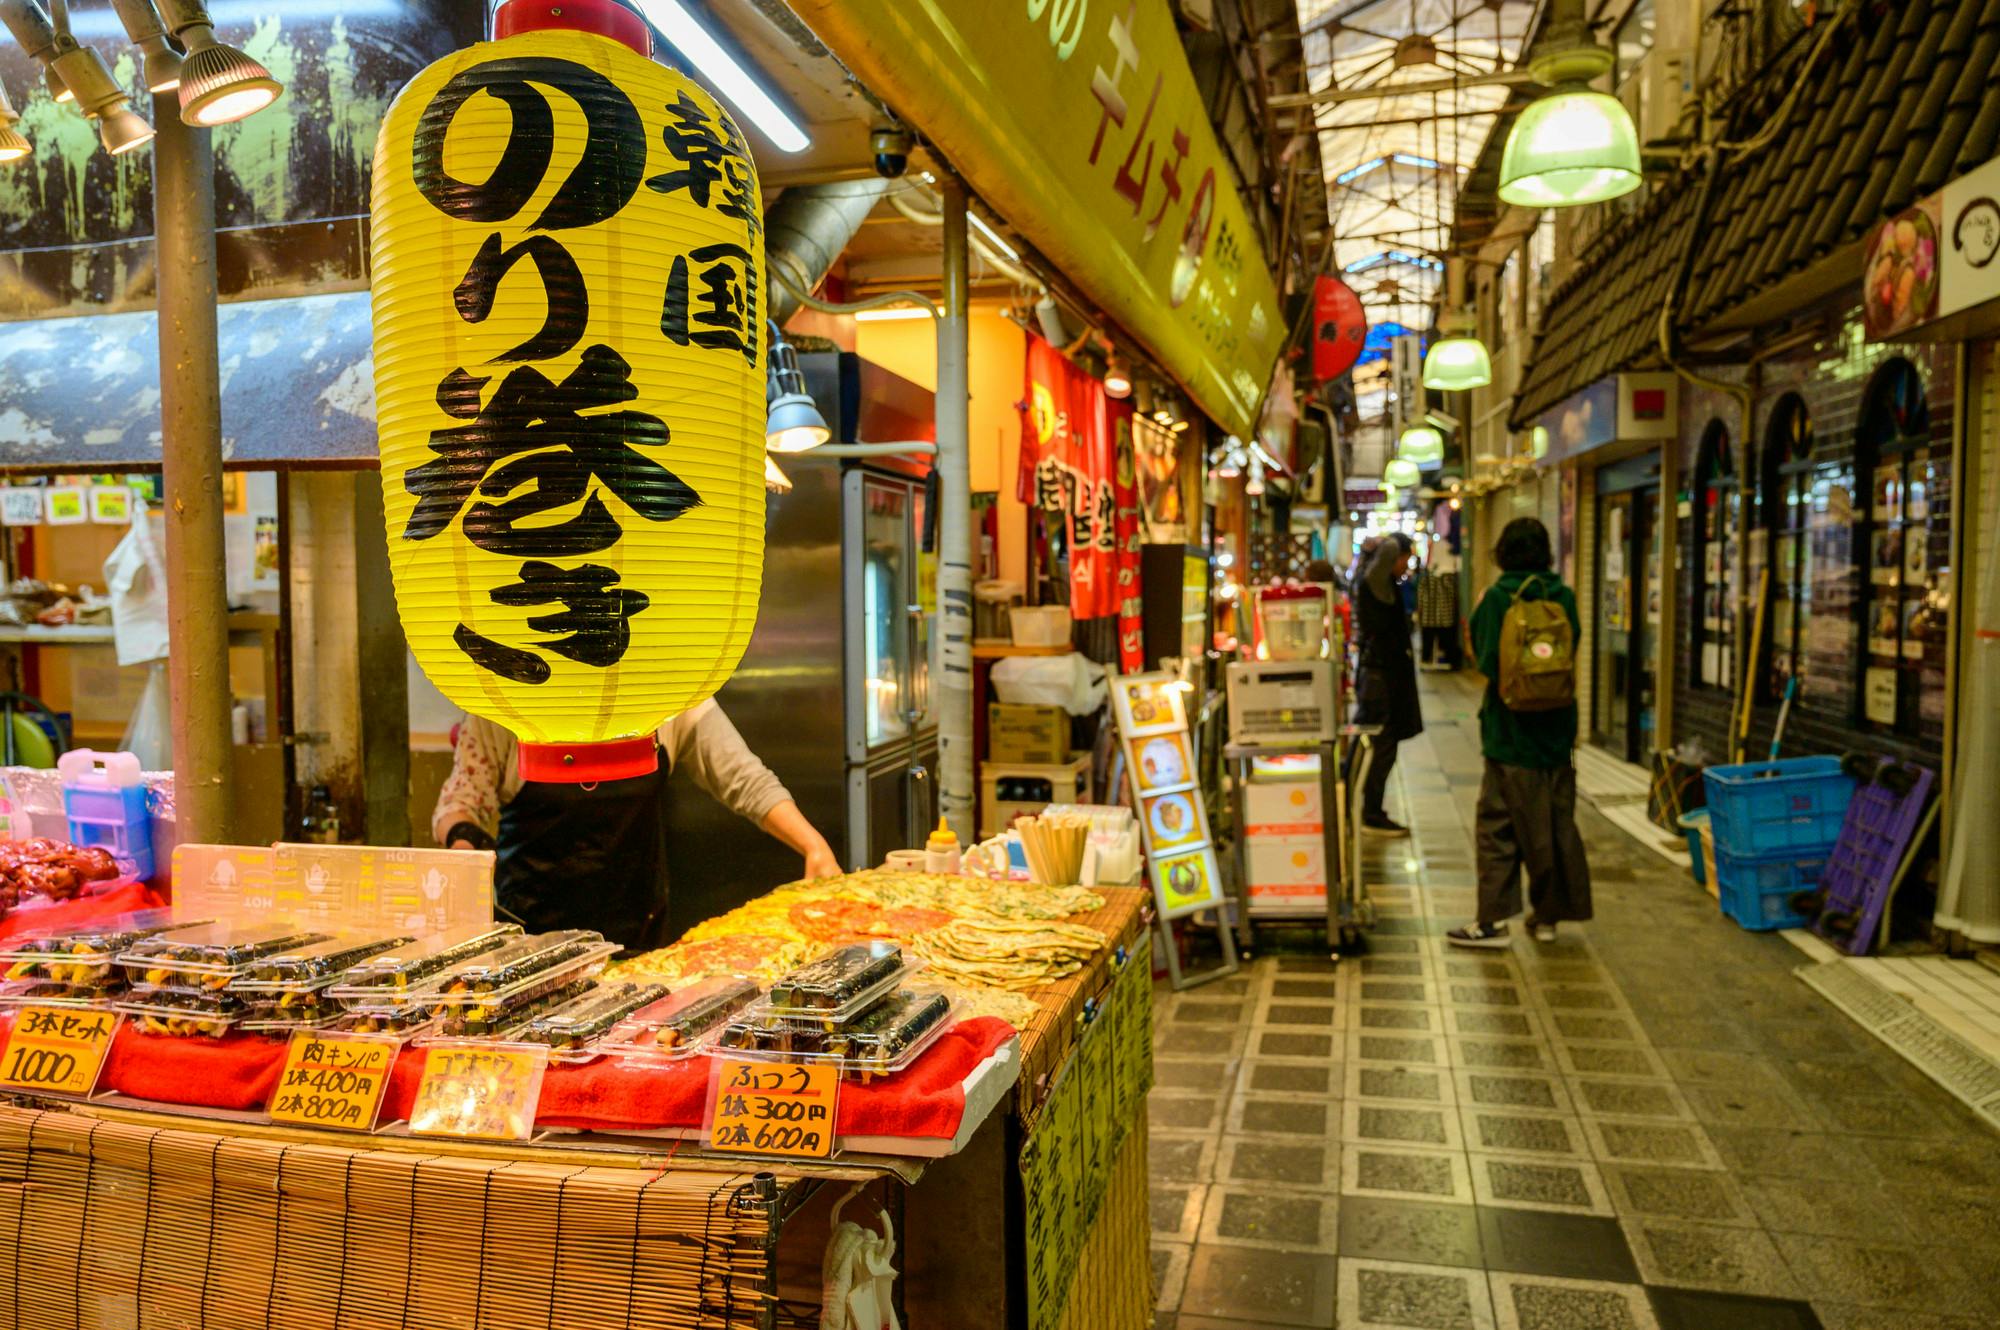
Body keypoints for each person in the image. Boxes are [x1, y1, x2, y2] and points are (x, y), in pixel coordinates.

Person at [433, 700, 839, 948]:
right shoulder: (502, 701)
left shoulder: (671, 693)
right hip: (531, 934)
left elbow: (743, 778)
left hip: (637, 930)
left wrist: (812, 845)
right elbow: (460, 802)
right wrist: (464, 854)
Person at [1448, 517, 1592, 948]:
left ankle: (1491, 923)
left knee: (1498, 824)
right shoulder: (1562, 596)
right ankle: (1547, 918)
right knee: (1556, 823)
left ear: (1503, 553)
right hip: (1559, 733)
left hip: (1509, 734)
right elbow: (1572, 650)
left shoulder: (1496, 598)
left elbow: (1489, 663)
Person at [1349, 533, 1421, 837]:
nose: (1407, 564)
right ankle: (1370, 812)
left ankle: (1358, 805)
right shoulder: (1376, 582)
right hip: (1381, 679)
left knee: (1374, 742)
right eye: (1405, 557)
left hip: (1380, 677)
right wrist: (1389, 545)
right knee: (1381, 745)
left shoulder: (1384, 582)